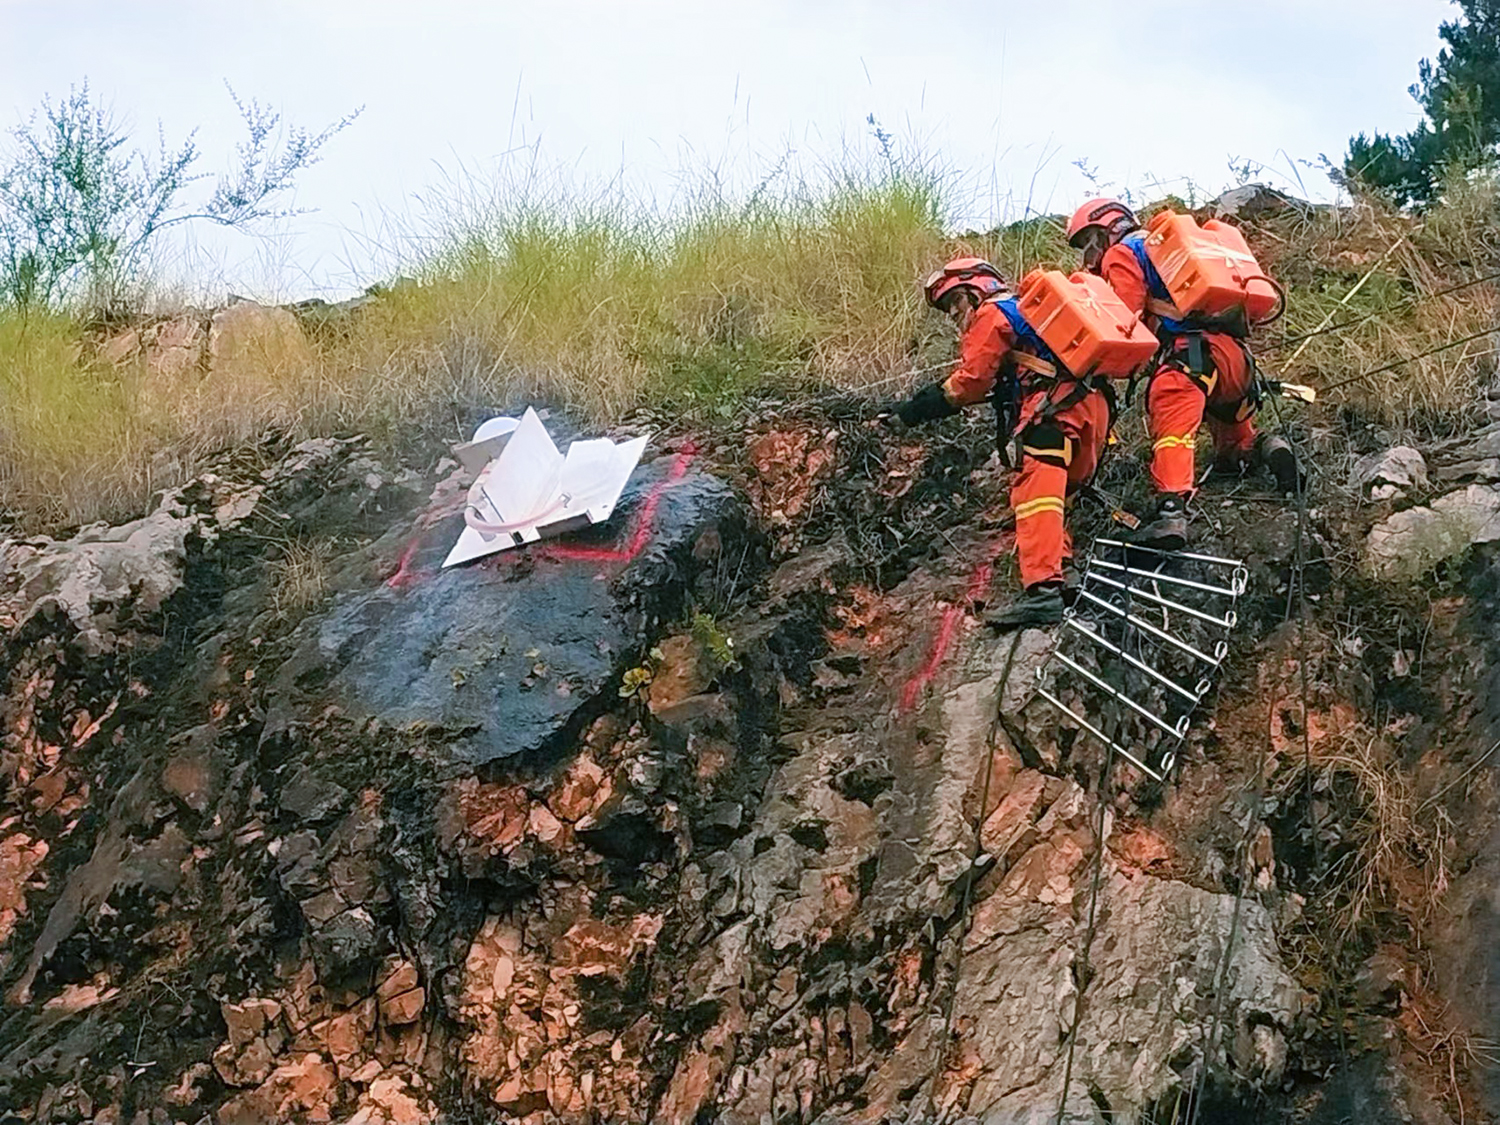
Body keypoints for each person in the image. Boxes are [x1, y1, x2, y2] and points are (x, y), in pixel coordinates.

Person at [1066, 198, 1298, 548]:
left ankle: (1171, 512)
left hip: (1189, 360)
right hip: (1236, 361)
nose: (1089, 254)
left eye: (1090, 241)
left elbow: (1125, 318)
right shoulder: (1167, 248)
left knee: (1173, 429)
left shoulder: (1123, 253)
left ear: (1108, 229)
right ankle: (1266, 446)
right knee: (1233, 447)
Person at [896, 257, 1112, 629]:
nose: (953, 315)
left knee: (1034, 496)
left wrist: (915, 409)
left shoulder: (993, 313)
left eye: (954, 303)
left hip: (1053, 412)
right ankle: (1065, 575)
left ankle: (1043, 591)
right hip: (1091, 409)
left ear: (974, 290)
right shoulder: (1029, 314)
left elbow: (971, 382)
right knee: (1056, 499)